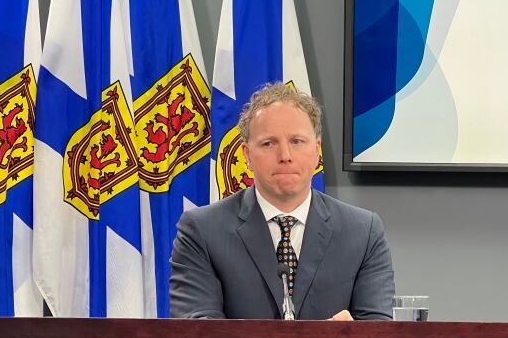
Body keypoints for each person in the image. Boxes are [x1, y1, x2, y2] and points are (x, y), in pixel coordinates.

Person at [169, 83, 394, 320]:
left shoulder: (363, 232)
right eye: (269, 143)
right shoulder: (202, 231)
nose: (285, 156)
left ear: (317, 150)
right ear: (247, 155)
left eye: (297, 141)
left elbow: (376, 335)